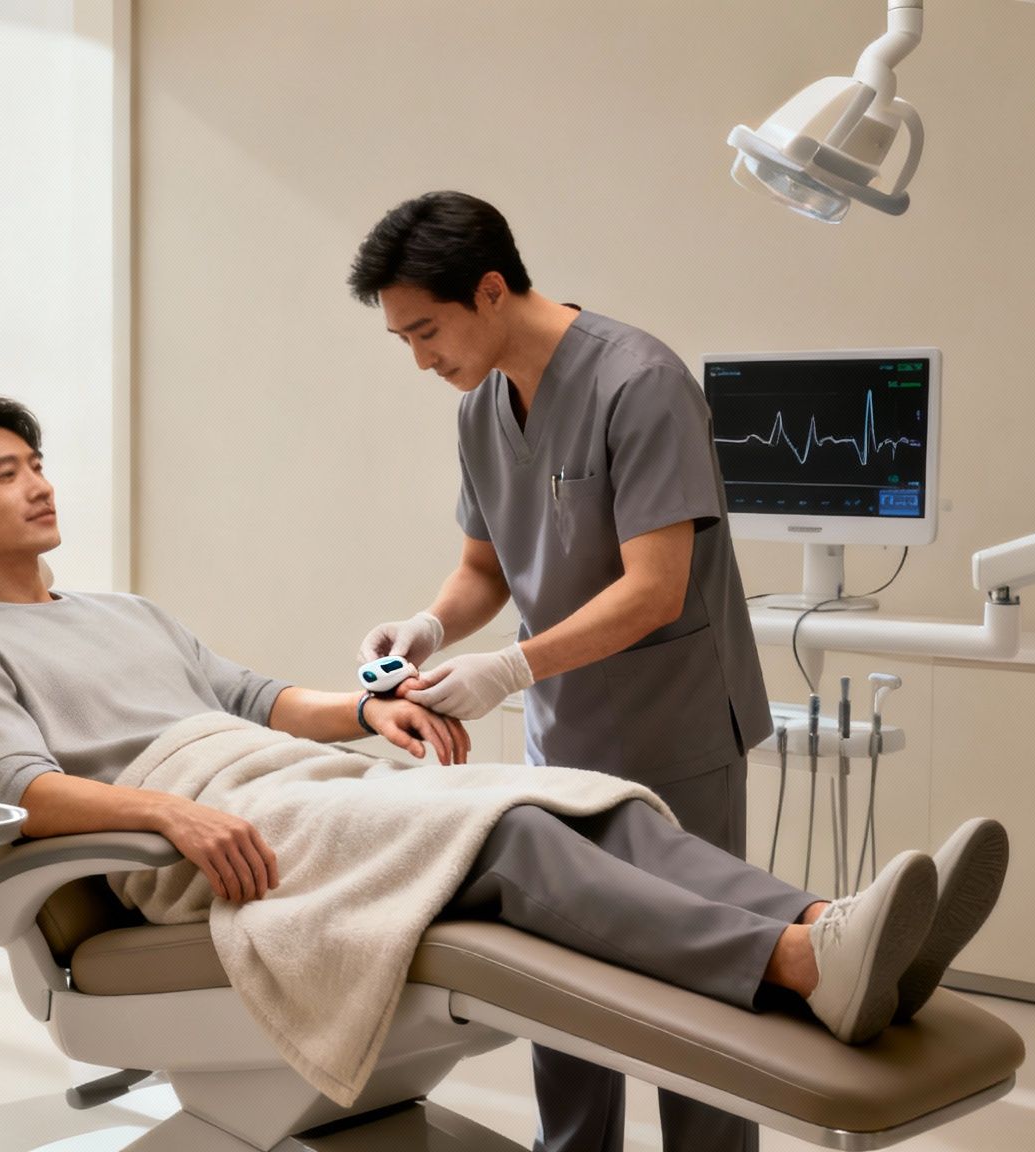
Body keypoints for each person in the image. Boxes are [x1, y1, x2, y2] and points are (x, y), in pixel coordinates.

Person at [0, 397, 1008, 1078]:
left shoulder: (118, 612)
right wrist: (174, 812)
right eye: (4, 474)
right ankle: (796, 964)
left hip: (284, 782)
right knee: (509, 845)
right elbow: (14, 793)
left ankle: (832, 926)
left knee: (573, 798)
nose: (37, 485)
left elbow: (258, 697)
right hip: (199, 839)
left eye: (34, 463)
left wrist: (371, 711)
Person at [347, 190, 777, 1152]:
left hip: (679, 731)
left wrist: (507, 669)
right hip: (566, 738)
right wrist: (426, 628)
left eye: (425, 330)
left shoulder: (641, 381)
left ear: (490, 290)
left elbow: (657, 588)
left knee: (695, 988)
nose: (420, 359)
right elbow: (483, 570)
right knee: (570, 981)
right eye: (402, 339)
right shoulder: (480, 408)